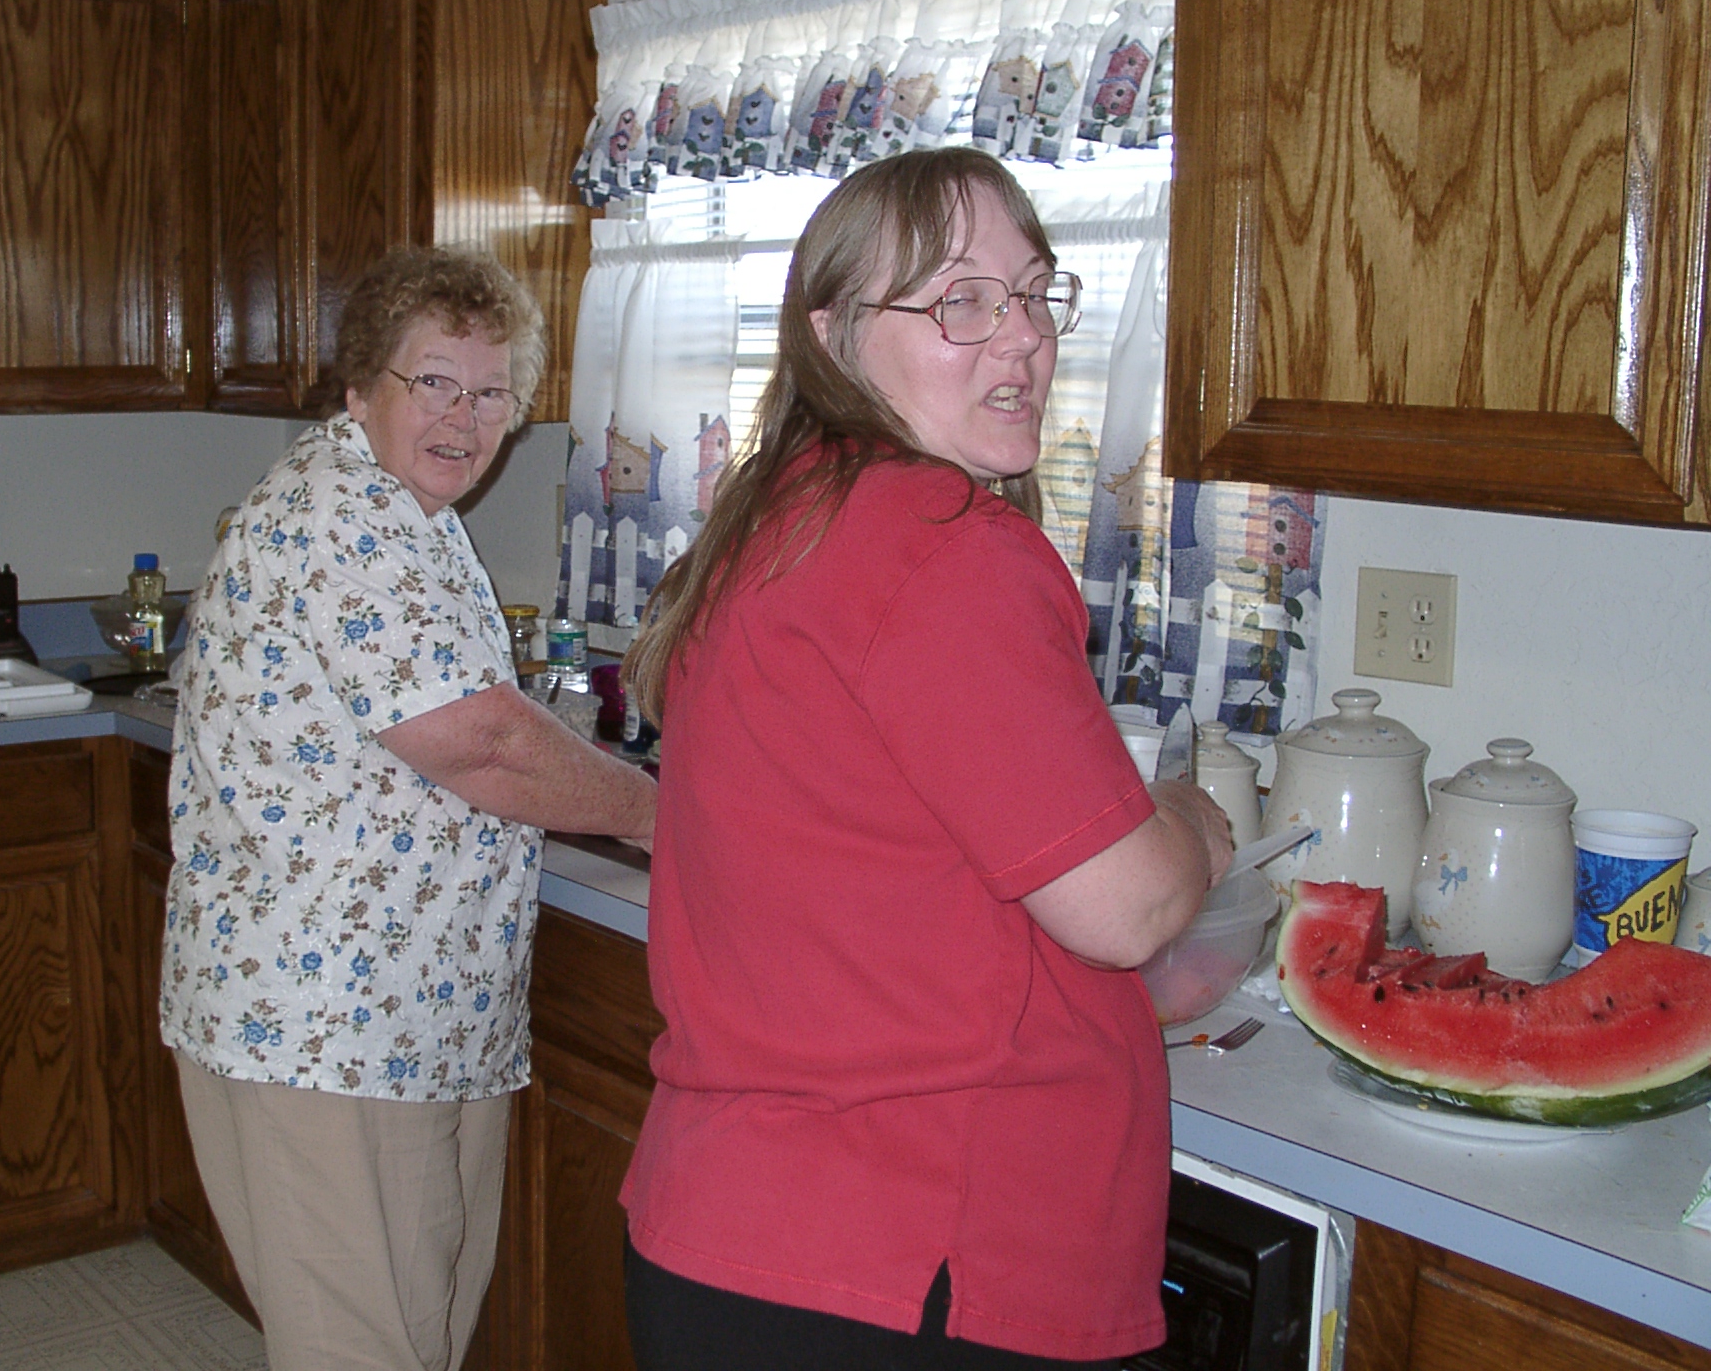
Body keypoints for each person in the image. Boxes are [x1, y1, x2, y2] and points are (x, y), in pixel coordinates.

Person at [619, 148, 1234, 1369]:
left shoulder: (782, 518)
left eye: (1034, 293)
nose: (1020, 337)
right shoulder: (943, 546)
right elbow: (1122, 909)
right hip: (911, 1261)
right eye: (959, 300)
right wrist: (1191, 826)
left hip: (734, 1229)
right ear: (835, 337)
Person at [161, 246, 657, 1371]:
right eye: (432, 381)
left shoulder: (404, 512)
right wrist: (653, 815)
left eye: (491, 393)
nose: (463, 418)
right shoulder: (348, 519)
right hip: (330, 1029)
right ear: (360, 387)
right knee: (367, 1348)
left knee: (414, 1332)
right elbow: (479, 740)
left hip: (395, 1018)